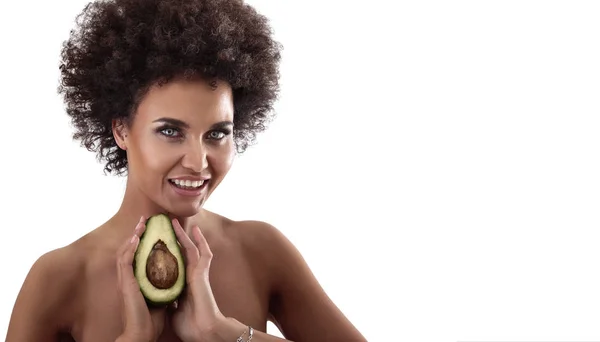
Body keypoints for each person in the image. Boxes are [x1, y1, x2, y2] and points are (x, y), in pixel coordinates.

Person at [5, 0, 367, 341]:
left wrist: (224, 332)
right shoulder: (59, 278)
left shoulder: (261, 251)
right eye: (170, 131)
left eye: (217, 134)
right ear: (121, 130)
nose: (198, 161)